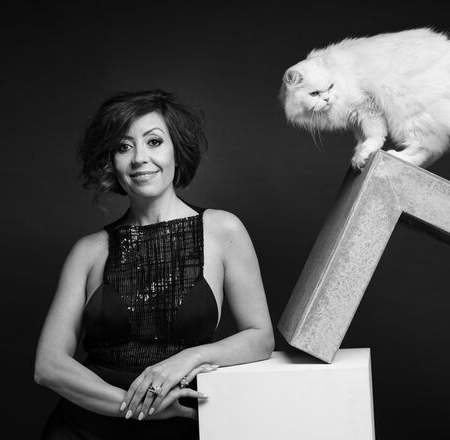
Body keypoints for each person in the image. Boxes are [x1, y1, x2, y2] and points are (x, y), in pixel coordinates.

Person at [34, 89, 275, 439]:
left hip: (183, 425)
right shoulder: (88, 251)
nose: (139, 158)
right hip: (87, 428)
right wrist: (135, 408)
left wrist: (189, 358)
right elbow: (48, 366)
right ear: (111, 161)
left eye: (154, 141)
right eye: (123, 146)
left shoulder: (223, 229)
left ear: (176, 150)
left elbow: (260, 338)